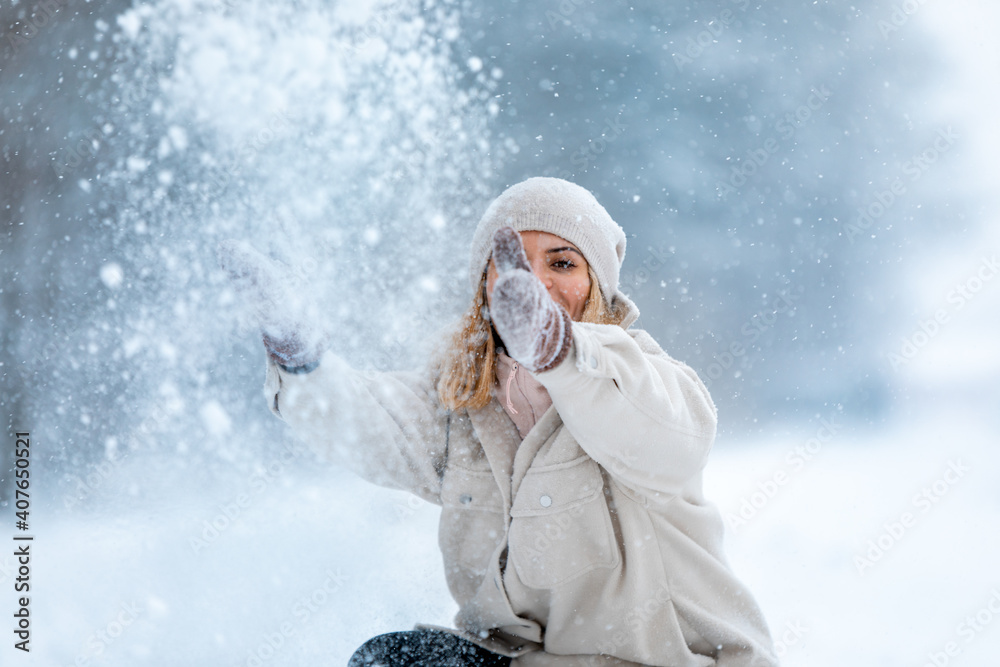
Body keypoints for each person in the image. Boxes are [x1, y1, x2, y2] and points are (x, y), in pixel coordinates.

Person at [219, 177, 778, 666]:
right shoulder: (462, 405)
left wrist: (558, 350)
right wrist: (300, 355)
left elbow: (662, 434)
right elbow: (368, 419)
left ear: (599, 287)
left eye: (561, 263)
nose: (535, 284)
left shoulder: (643, 382)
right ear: (484, 289)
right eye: (511, 266)